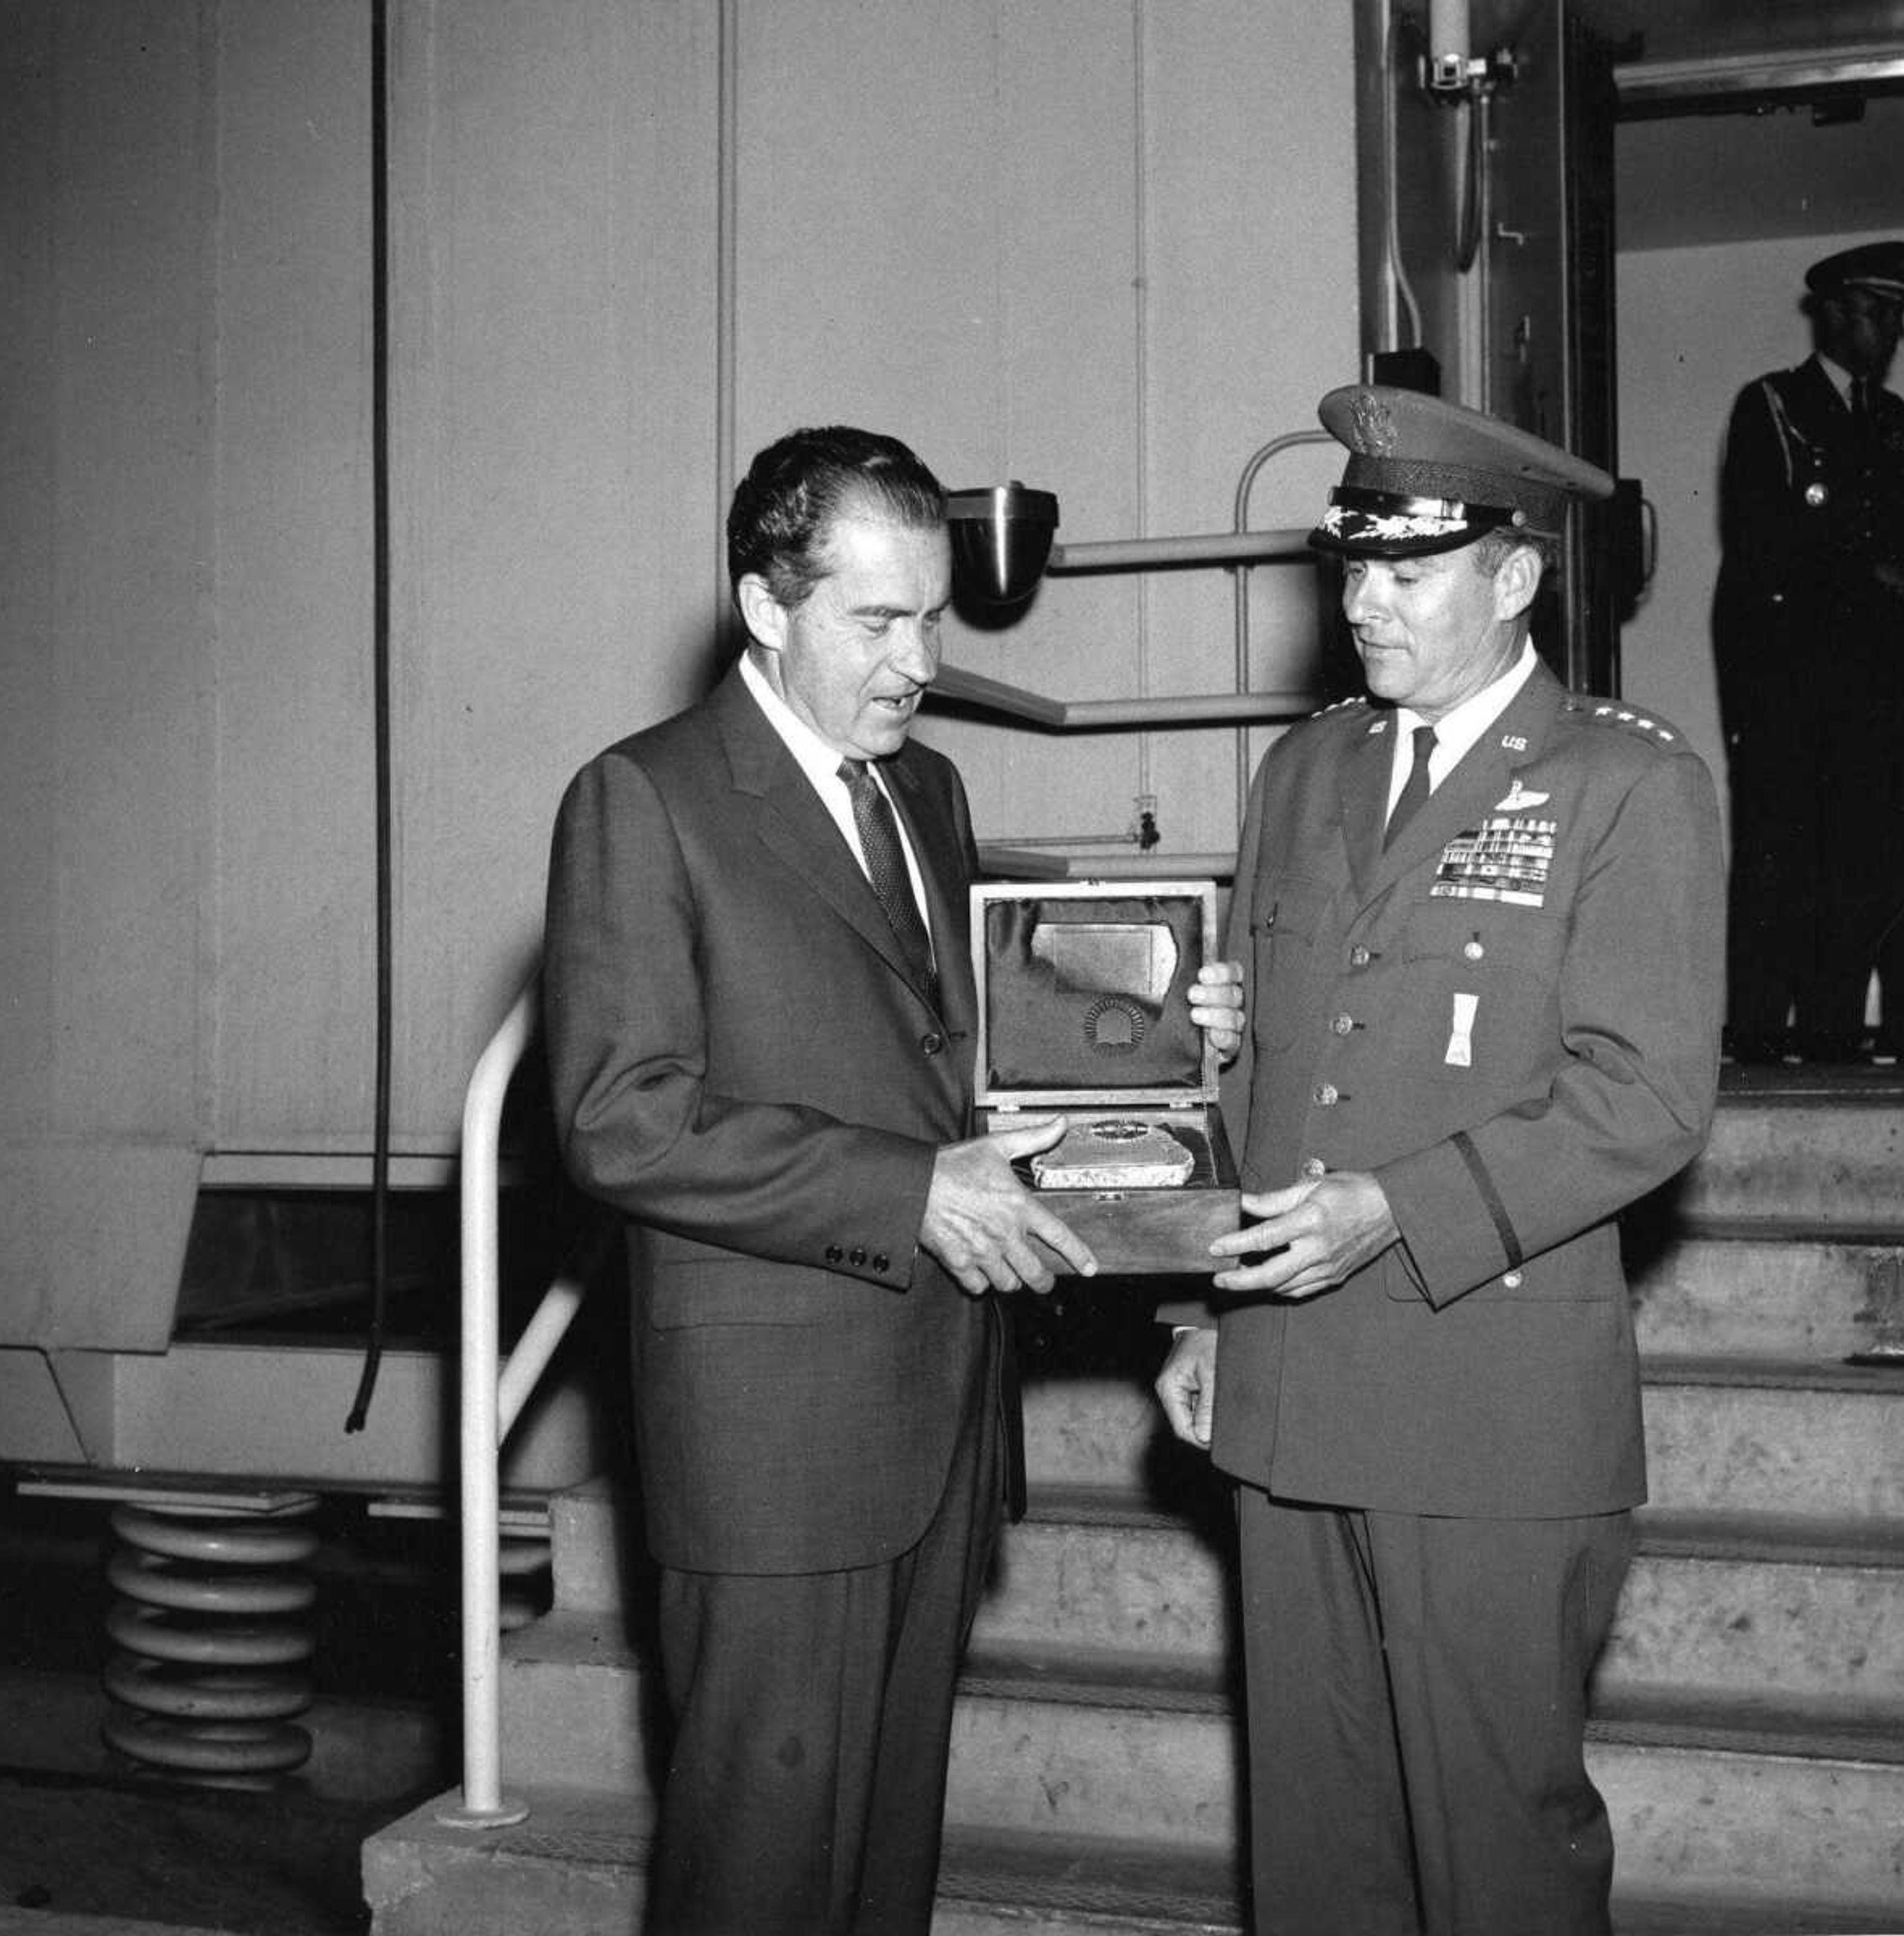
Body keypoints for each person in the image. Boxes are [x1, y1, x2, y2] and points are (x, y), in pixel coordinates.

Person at [546, 425, 1222, 1936]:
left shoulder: (922, 794)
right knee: (760, 1875)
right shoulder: (643, 800)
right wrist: (904, 1193)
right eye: (877, 620)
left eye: (931, 616)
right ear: (763, 607)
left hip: (936, 1416)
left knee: (881, 1879)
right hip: (773, 1449)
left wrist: (1170, 1034)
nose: (918, 659)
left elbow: (968, 1063)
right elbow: (618, 1116)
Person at [1154, 387, 1725, 1936]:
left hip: (1488, 1407)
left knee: (1495, 1864)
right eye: (1351, 569)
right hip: (1289, 1390)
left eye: (1407, 574)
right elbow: (1280, 1069)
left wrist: (1391, 1211)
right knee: (1316, 1862)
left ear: (1515, 577)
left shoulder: (1625, 782)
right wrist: (1202, 1307)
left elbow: (1644, 1095)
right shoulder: (1307, 771)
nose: (1361, 608)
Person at [1712, 241, 1904, 1064]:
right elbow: (1759, 544)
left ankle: (1836, 1044)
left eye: (1894, 318)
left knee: (1865, 877)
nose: (1886, 333)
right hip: (1790, 690)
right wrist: (1867, 569)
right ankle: (1757, 1046)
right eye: (1874, 313)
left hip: (1875, 693)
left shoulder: (1895, 423)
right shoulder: (1773, 407)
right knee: (1782, 874)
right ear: (1833, 311)